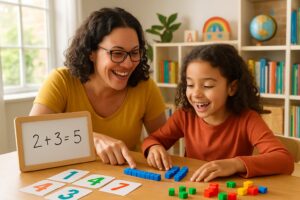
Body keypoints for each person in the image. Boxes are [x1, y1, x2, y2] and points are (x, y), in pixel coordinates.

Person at [29, 7, 166, 168]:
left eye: (135, 52)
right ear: (91, 52)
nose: (128, 64)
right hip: (71, 180)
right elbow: (31, 137)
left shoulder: (145, 87)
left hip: (128, 179)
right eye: (117, 53)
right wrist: (90, 139)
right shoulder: (61, 81)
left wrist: (155, 146)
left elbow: (162, 139)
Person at [142, 44, 294, 182]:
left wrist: (236, 164)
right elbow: (153, 139)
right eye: (190, 84)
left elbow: (284, 159)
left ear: (232, 88)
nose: (196, 94)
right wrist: (154, 147)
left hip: (230, 191)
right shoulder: (185, 115)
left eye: (207, 85)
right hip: (193, 188)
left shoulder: (247, 119)